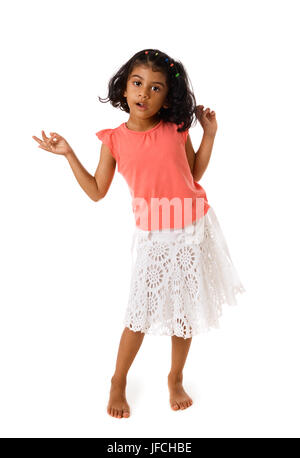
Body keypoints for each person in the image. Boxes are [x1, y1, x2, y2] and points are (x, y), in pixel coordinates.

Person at [32, 48, 246, 420]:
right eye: (137, 83)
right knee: (138, 316)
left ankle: (175, 377)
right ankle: (118, 380)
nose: (144, 93)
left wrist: (209, 134)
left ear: (168, 97)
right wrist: (69, 155)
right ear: (124, 86)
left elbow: (193, 174)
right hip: (154, 236)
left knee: (184, 312)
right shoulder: (113, 140)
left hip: (193, 228)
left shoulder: (177, 128)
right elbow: (98, 191)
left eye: (155, 88)